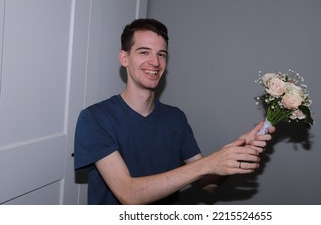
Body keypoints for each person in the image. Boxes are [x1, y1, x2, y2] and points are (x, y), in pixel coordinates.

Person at [74, 18, 274, 205]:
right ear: (124, 58)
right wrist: (209, 163)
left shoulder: (175, 118)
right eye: (144, 52)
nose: (155, 62)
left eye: (161, 54)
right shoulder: (95, 118)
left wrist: (235, 150)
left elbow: (209, 184)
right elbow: (128, 194)